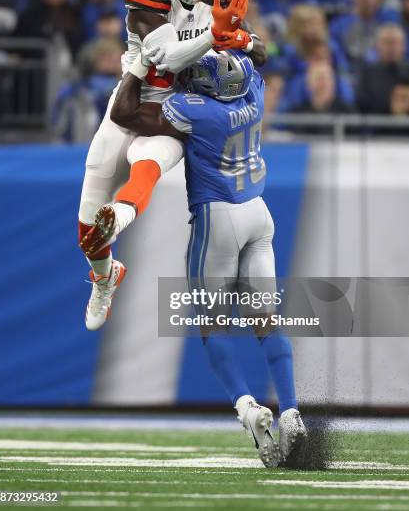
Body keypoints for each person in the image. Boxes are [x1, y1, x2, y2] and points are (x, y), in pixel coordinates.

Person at [83, 48, 307, 469]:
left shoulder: (196, 110)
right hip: (259, 213)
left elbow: (127, 114)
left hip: (217, 217)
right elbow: (253, 59)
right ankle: (292, 410)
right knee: (267, 320)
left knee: (213, 324)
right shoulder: (254, 91)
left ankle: (246, 408)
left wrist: (138, 65)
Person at [77, 0, 266, 331]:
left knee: (147, 168)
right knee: (87, 228)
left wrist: (243, 38)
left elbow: (264, 52)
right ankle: (104, 276)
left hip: (175, 110)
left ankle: (120, 217)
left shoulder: (214, 0)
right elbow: (165, 55)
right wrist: (215, 34)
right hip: (130, 100)